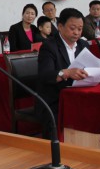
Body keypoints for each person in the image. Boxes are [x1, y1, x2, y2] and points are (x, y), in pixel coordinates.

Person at [36, 8, 90, 139]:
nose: (76, 32)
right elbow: (45, 76)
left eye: (80, 29)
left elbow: (89, 67)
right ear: (60, 27)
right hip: (54, 101)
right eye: (72, 28)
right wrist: (66, 73)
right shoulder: (49, 46)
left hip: (78, 98)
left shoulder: (83, 44)